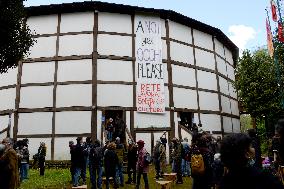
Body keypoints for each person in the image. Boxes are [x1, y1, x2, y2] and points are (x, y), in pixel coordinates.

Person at [219, 133, 284, 189]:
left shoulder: (224, 182)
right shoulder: (263, 177)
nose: (253, 149)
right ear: (246, 154)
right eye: (251, 147)